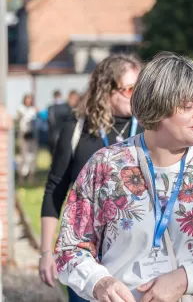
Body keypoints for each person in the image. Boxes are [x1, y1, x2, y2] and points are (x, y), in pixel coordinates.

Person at [54, 52, 193, 302]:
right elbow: (70, 248)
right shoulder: (106, 166)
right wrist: (98, 282)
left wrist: (186, 278)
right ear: (157, 106)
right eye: (187, 105)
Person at [39, 54, 143, 302]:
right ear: (106, 90)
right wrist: (45, 252)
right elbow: (55, 189)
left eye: (140, 90)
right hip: (84, 254)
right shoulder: (76, 129)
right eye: (130, 90)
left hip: (132, 252)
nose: (136, 96)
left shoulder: (149, 129)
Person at [16, 93, 38, 185]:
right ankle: (21, 178)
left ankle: (31, 177)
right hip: (24, 134)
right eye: (27, 99)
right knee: (23, 156)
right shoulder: (21, 108)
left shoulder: (34, 109)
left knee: (33, 157)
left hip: (32, 134)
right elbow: (21, 118)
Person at [48, 90, 74, 154]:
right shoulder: (67, 106)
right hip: (66, 132)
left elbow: (51, 122)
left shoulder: (51, 108)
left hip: (55, 133)